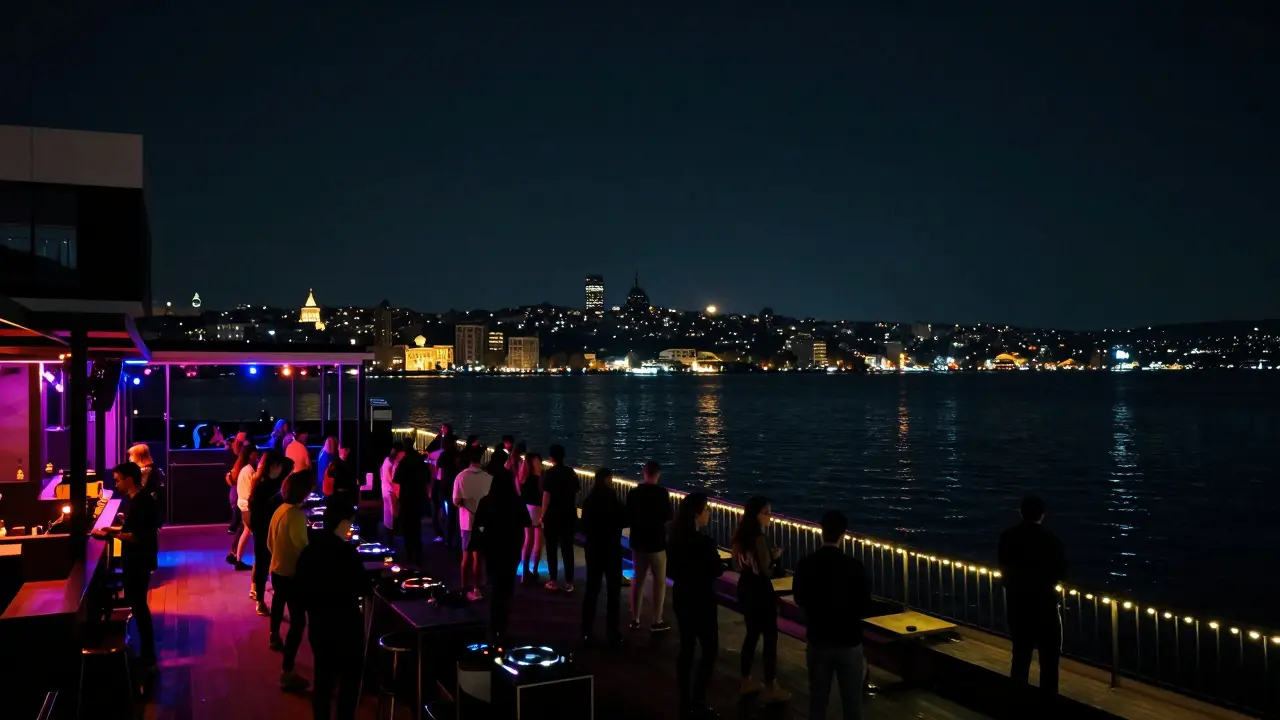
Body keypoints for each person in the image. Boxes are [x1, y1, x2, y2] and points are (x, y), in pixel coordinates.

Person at [794, 511, 872, 720]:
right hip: (849, 640)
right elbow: (865, 604)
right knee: (852, 701)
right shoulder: (854, 567)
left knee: (818, 699)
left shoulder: (807, 564)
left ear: (821, 532)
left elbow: (800, 598)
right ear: (843, 534)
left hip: (819, 638)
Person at [295, 503, 367, 720]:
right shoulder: (347, 553)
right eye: (350, 524)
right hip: (348, 626)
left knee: (323, 681)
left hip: (319, 625)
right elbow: (363, 586)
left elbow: (299, 591)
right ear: (343, 524)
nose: (351, 528)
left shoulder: (309, 551)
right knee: (349, 682)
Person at [998, 495, 1068, 709]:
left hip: (1018, 607)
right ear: (1042, 515)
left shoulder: (1007, 537)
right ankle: (1048, 707)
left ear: (1021, 512)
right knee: (1050, 662)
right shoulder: (1051, 540)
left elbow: (1005, 572)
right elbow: (1062, 572)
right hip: (1045, 607)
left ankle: (1016, 706)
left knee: (1020, 658)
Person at [92, 462, 159, 668]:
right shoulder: (140, 499)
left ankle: (148, 655)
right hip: (142, 559)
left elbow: (136, 536)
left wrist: (112, 532)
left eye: (118, 480)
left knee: (139, 605)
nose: (117, 484)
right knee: (139, 605)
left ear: (129, 479)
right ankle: (147, 651)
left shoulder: (140, 502)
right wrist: (117, 526)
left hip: (137, 560)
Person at [669, 493, 724, 719]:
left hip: (682, 596)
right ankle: (699, 699)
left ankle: (684, 701)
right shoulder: (704, 542)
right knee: (709, 648)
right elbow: (717, 570)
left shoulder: (675, 539)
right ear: (696, 513)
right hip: (702, 599)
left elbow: (672, 570)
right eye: (706, 509)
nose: (709, 513)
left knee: (687, 647)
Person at [734, 496, 789, 703]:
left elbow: (736, 565)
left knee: (751, 635)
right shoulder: (759, 538)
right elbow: (766, 571)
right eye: (766, 512)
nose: (770, 516)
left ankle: (746, 680)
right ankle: (770, 685)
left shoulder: (740, 536)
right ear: (756, 514)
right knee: (770, 638)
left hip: (745, 588)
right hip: (761, 593)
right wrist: (774, 559)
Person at [268, 469, 316, 692]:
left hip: (277, 570)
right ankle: (287, 671)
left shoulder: (280, 510)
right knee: (299, 623)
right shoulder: (296, 515)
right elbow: (304, 549)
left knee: (288, 612)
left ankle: (275, 638)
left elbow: (270, 543)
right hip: (291, 575)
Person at [474, 455, 529, 643]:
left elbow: (479, 524)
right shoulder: (515, 501)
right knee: (507, 588)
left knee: (496, 587)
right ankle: (502, 626)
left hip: (493, 548)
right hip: (511, 549)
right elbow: (526, 522)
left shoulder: (486, 501)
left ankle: (493, 624)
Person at [626, 460, 673, 632]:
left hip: (638, 542)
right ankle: (656, 620)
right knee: (659, 582)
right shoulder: (662, 493)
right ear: (657, 474)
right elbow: (668, 515)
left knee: (638, 580)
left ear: (644, 473)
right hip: (656, 542)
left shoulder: (634, 492)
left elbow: (628, 515)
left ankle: (635, 618)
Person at [580, 468, 626, 645]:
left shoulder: (589, 500)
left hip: (593, 549)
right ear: (609, 480)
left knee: (592, 590)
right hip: (612, 550)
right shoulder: (613, 500)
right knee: (613, 593)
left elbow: (584, 526)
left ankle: (586, 629)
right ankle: (612, 632)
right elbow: (624, 519)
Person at [249, 451, 292, 615]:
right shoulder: (262, 486)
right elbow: (258, 513)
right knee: (263, 563)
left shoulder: (273, 482)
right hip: (264, 530)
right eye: (278, 466)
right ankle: (260, 599)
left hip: (271, 529)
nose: (281, 469)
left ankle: (270, 596)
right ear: (272, 467)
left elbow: (289, 464)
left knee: (270, 563)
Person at [454, 446, 494, 601]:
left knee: (466, 556)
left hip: (466, 522)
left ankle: (464, 587)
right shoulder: (488, 478)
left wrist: (466, 503)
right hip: (483, 523)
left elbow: (456, 501)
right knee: (478, 556)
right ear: (481, 459)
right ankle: (477, 588)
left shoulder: (460, 477)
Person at [540, 444, 578, 592]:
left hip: (553, 516)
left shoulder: (550, 473)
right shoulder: (571, 472)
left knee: (551, 548)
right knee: (567, 549)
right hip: (568, 515)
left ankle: (553, 580)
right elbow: (575, 492)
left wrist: (543, 514)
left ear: (551, 457)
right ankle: (569, 582)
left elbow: (546, 495)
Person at [394, 439, 429, 566]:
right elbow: (427, 477)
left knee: (407, 526)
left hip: (406, 498)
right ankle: (418, 553)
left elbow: (396, 479)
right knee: (417, 526)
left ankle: (409, 553)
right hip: (418, 497)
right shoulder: (419, 460)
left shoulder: (404, 462)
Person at [225, 443, 258, 571]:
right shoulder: (250, 470)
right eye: (256, 452)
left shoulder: (244, 469)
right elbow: (252, 490)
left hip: (242, 505)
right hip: (248, 507)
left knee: (245, 531)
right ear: (251, 454)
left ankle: (238, 560)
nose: (258, 454)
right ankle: (259, 563)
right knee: (258, 535)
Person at [428, 424, 460, 546]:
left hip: (443, 484)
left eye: (444, 428)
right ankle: (447, 536)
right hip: (447, 484)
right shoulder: (452, 454)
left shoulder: (443, 455)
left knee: (442, 510)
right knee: (448, 512)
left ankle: (444, 535)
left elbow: (436, 467)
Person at [517, 452, 545, 581]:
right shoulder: (539, 477)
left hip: (524, 508)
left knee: (527, 540)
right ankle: (534, 571)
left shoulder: (522, 477)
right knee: (538, 541)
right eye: (539, 460)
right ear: (534, 462)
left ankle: (524, 572)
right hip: (537, 509)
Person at [128, 443, 166, 526]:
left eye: (131, 455)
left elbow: (140, 489)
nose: (129, 458)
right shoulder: (151, 467)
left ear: (138, 456)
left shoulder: (145, 471)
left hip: (147, 509)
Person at [324, 440, 358, 512]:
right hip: (338, 498)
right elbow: (329, 483)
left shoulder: (352, 464)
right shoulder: (333, 464)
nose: (345, 452)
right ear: (339, 449)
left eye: (347, 450)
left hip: (349, 497)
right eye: (344, 449)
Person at [225, 432, 247, 535]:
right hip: (236, 481)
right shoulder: (235, 453)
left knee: (237, 502)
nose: (236, 444)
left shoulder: (244, 454)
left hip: (240, 481)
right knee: (235, 501)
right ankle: (237, 524)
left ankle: (236, 525)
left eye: (240, 443)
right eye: (236, 442)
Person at [380, 442, 403, 538]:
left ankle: (391, 533)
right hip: (390, 491)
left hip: (388, 490)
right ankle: (391, 533)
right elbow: (390, 479)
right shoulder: (389, 463)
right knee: (392, 513)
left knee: (390, 513)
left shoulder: (389, 461)